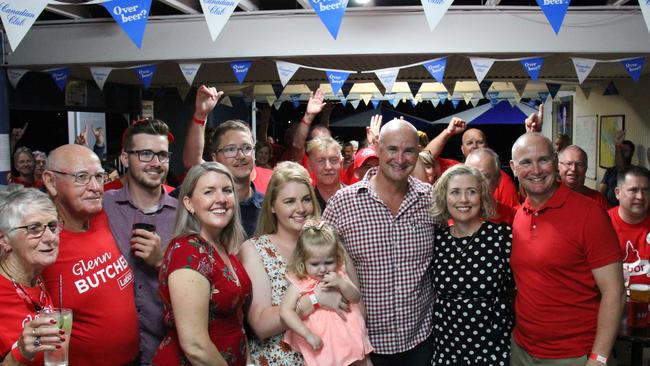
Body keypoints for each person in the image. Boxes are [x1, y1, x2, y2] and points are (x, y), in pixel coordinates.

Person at [323, 119, 436, 365]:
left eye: (409, 150)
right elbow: (316, 259)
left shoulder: (430, 199)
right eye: (393, 149)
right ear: (378, 149)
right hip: (364, 345)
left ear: (418, 153)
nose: (400, 158)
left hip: (420, 340)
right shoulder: (343, 203)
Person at [509, 132, 625, 365]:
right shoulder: (521, 213)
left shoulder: (589, 214)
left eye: (544, 160)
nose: (536, 170)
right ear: (513, 167)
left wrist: (599, 358)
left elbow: (615, 292)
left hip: (575, 354)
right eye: (526, 162)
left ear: (555, 162)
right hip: (522, 350)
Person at [238, 161, 351, 365]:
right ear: (272, 205)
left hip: (331, 357)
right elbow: (261, 325)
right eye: (289, 201)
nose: (300, 209)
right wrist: (315, 300)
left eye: (306, 199)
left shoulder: (330, 242)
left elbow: (356, 305)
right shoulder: (256, 249)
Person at [41, 144, 139, 366]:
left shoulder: (108, 217)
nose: (96, 187)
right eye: (82, 177)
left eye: (99, 176)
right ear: (50, 181)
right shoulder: (42, 245)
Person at [152, 162, 251, 366]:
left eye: (227, 190)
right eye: (209, 192)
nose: (221, 199)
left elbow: (235, 321)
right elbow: (195, 347)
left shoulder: (222, 248)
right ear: (189, 204)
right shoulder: (187, 252)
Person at [102, 118, 178, 364]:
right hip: (114, 354)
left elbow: (200, 284)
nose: (156, 163)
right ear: (125, 158)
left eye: (162, 155)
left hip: (167, 349)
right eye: (146, 154)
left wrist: (160, 263)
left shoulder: (184, 215)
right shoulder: (102, 206)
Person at [429, 164, 513, 365]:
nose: (463, 200)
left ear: (482, 196)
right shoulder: (437, 240)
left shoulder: (502, 238)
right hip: (447, 349)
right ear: (444, 198)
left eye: (471, 192)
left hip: (494, 349)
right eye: (455, 192)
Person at [280, 219, 372, 366]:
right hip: (321, 341)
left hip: (349, 335)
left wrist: (343, 283)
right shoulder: (302, 281)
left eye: (328, 262)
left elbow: (355, 298)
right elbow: (285, 311)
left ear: (336, 258)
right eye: (315, 264)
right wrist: (307, 334)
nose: (323, 269)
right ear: (303, 261)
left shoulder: (339, 274)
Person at [182, 85, 270, 237]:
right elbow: (192, 163)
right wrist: (200, 115)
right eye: (230, 149)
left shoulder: (269, 207)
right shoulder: (203, 202)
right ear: (215, 157)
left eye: (246, 148)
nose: (240, 155)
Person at [0, 187, 65, 365]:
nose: (50, 237)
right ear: (5, 240)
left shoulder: (36, 276)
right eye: (34, 228)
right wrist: (20, 351)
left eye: (52, 226)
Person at [424, 119, 519, 208]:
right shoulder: (454, 170)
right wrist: (448, 132)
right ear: (462, 149)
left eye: (479, 142)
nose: (474, 146)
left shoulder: (500, 178)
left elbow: (511, 214)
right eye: (469, 143)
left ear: (486, 146)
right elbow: (425, 158)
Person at [607, 165, 650, 287]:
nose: (640, 197)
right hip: (612, 303)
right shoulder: (602, 223)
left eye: (645, 190)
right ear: (617, 193)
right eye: (633, 190)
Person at [465, 148, 517, 225]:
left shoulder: (513, 217)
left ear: (498, 180)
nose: (477, 182)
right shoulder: (452, 217)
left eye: (485, 176)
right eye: (471, 176)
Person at [558, 145, 609, 211]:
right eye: (568, 164)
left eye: (579, 164)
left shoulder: (598, 199)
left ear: (586, 168)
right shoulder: (547, 195)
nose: (573, 169)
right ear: (558, 166)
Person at [306, 137, 344, 209]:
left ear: (341, 164)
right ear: (310, 166)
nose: (328, 167)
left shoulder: (356, 197)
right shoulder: (305, 203)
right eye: (321, 161)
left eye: (333, 160)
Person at [600, 130, 635, 207]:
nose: (622, 154)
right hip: (608, 208)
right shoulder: (610, 170)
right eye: (621, 151)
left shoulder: (635, 172)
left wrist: (618, 145)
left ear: (632, 154)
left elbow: (621, 168)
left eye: (626, 151)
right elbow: (602, 190)